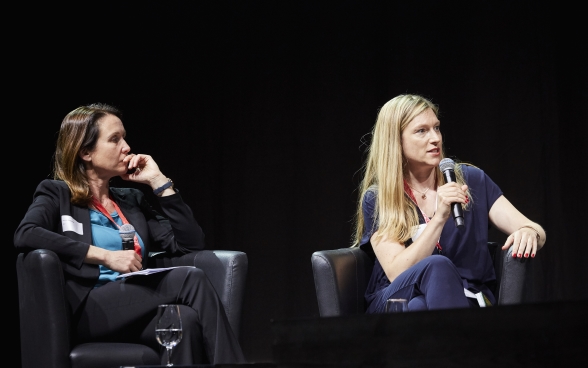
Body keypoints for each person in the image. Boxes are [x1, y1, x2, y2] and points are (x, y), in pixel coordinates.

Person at [14, 103, 246, 365]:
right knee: (190, 278)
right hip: (88, 309)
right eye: (114, 139)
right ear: (85, 152)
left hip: (133, 303)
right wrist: (105, 256)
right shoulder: (57, 194)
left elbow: (190, 244)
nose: (126, 147)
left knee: (185, 322)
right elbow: (27, 233)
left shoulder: (131, 200)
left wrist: (159, 182)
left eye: (124, 137)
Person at [352, 94, 546, 313]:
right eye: (421, 131)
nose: (435, 138)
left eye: (437, 128)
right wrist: (439, 218)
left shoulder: (471, 180)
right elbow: (398, 271)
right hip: (397, 298)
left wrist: (530, 232)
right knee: (435, 269)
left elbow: (535, 230)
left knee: (419, 307)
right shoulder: (379, 198)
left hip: (464, 298)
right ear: (396, 141)